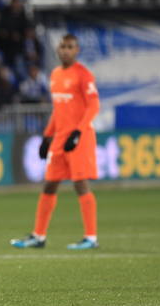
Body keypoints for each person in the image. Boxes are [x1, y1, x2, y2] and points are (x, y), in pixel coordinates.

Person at [11, 33, 100, 250]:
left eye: (70, 47)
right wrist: (46, 137)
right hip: (59, 139)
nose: (65, 50)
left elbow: (93, 106)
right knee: (50, 184)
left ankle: (91, 237)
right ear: (58, 50)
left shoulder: (83, 74)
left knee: (80, 184)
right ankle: (38, 236)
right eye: (63, 47)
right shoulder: (55, 75)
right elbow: (58, 110)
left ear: (77, 50)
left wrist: (78, 132)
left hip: (79, 138)